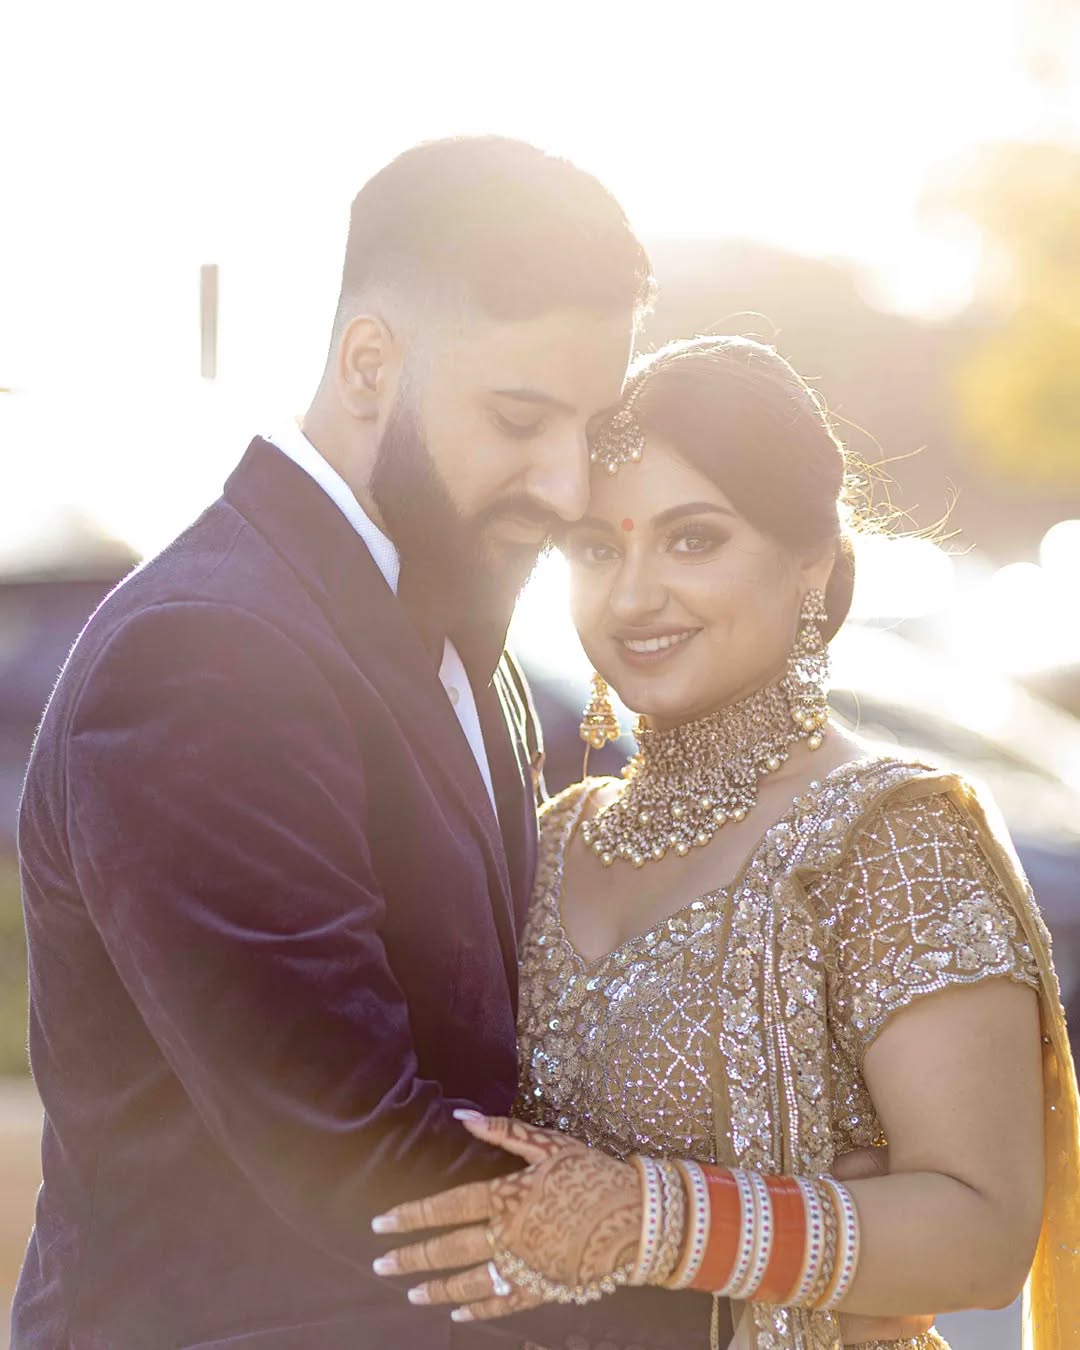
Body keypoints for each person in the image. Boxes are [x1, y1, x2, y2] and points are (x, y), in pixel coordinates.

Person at [12, 136, 654, 1349]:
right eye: (521, 418)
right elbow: (360, 1154)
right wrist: (761, 1273)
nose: (567, 486)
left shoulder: (469, 635)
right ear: (369, 360)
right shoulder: (207, 655)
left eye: (591, 429)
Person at [372, 338, 1080, 1349]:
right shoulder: (551, 841)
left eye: (691, 540)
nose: (632, 597)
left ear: (812, 562)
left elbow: (980, 1233)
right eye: (595, 549)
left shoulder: (891, 834)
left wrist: (649, 1220)